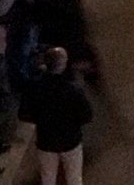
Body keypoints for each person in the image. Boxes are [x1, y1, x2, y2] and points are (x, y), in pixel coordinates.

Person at [20, 43, 94, 185]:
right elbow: (87, 115)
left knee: (48, 179)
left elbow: (24, 114)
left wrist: (41, 120)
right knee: (74, 179)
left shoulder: (35, 88)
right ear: (63, 64)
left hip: (46, 142)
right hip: (71, 141)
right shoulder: (74, 90)